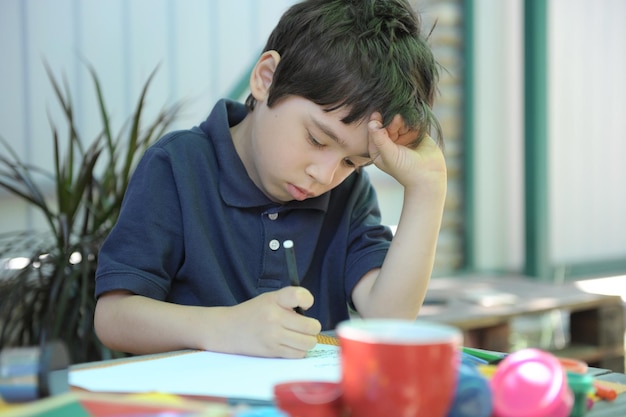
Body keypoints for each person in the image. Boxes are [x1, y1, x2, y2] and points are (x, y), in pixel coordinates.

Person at [94, 0, 446, 359]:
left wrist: (427, 188)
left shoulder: (348, 192)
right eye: (317, 140)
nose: (325, 175)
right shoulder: (177, 167)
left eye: (352, 162)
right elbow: (113, 317)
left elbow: (389, 319)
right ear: (266, 79)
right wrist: (226, 327)